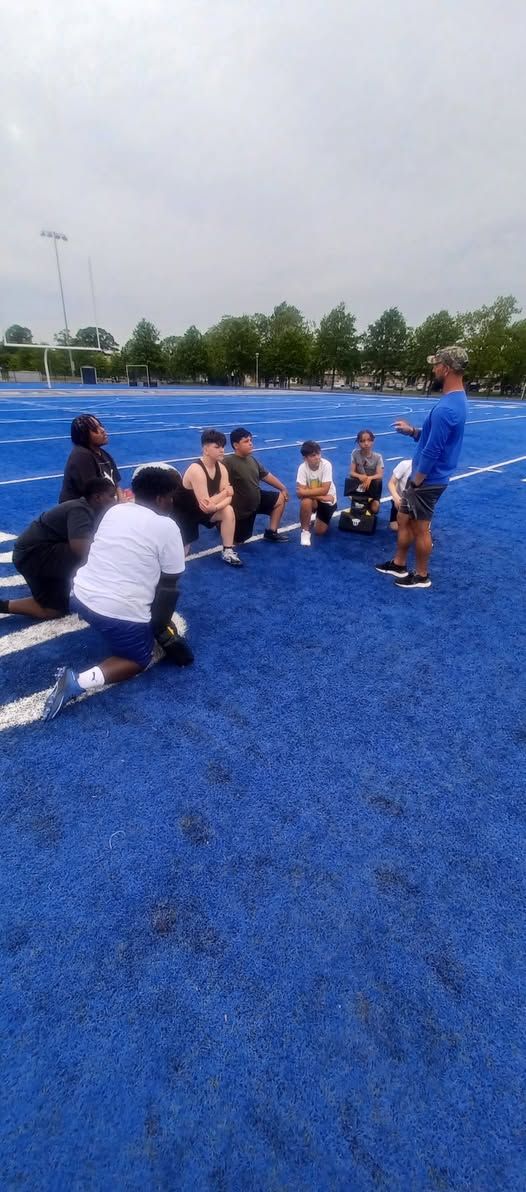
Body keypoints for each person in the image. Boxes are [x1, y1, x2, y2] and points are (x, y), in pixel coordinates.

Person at [42, 465, 192, 722]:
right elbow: (169, 585)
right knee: (137, 658)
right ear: (159, 499)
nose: (172, 501)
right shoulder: (166, 526)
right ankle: (76, 683)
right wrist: (159, 627)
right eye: (170, 496)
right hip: (114, 613)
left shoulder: (116, 509)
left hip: (79, 597)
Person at [376, 345, 469, 589]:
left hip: (427, 480)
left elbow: (433, 450)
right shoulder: (455, 401)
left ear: (446, 369)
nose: (433, 370)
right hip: (426, 477)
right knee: (404, 519)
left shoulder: (448, 408)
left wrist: (417, 479)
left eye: (436, 365)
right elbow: (434, 439)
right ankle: (399, 563)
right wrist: (414, 432)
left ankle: (421, 575)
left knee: (420, 528)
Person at [0, 478, 117, 620]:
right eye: (111, 496)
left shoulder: (88, 508)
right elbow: (80, 549)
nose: (115, 500)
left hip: (39, 553)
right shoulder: (80, 509)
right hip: (33, 555)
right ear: (97, 497)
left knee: (54, 610)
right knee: (90, 554)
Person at [178, 429, 243, 566]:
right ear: (206, 449)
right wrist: (225, 493)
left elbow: (224, 501)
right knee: (179, 558)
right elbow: (208, 503)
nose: (222, 450)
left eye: (223, 447)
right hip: (184, 514)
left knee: (228, 510)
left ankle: (228, 550)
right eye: (217, 447)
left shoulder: (221, 468)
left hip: (203, 510)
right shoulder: (197, 470)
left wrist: (217, 507)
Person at [224, 427, 289, 544]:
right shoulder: (228, 462)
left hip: (256, 500)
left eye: (250, 440)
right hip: (242, 509)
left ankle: (271, 532)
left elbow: (266, 475)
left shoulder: (251, 459)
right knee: (239, 540)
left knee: (280, 498)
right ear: (236, 445)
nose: (250, 443)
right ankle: (222, 523)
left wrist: (283, 488)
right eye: (246, 441)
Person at [59, 414, 122, 502]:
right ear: (84, 435)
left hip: (102, 504)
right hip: (81, 511)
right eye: (95, 429)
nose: (103, 430)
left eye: (101, 426)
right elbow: (95, 497)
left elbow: (116, 485)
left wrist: (122, 502)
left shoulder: (104, 454)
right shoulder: (81, 456)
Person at [296, 440, 337, 546]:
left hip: (328, 501)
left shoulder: (326, 465)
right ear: (305, 458)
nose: (318, 457)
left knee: (319, 532)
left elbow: (325, 490)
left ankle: (316, 516)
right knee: (305, 501)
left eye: (318, 453)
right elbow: (299, 494)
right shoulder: (302, 468)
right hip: (320, 498)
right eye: (313, 455)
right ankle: (305, 532)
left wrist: (305, 492)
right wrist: (321, 497)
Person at [348, 430, 384, 513]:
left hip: (372, 486)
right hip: (359, 484)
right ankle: (360, 499)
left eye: (369, 440)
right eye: (362, 441)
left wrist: (369, 478)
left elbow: (380, 475)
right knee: (358, 509)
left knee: (374, 509)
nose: (366, 443)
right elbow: (351, 472)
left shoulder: (378, 457)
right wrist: (360, 476)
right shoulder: (355, 453)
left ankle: (372, 500)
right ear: (358, 442)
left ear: (373, 441)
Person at [387, 459, 412, 530]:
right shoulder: (405, 464)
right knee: (395, 527)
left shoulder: (431, 469)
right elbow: (391, 483)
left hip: (417, 503)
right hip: (401, 501)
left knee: (419, 530)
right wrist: (396, 498)